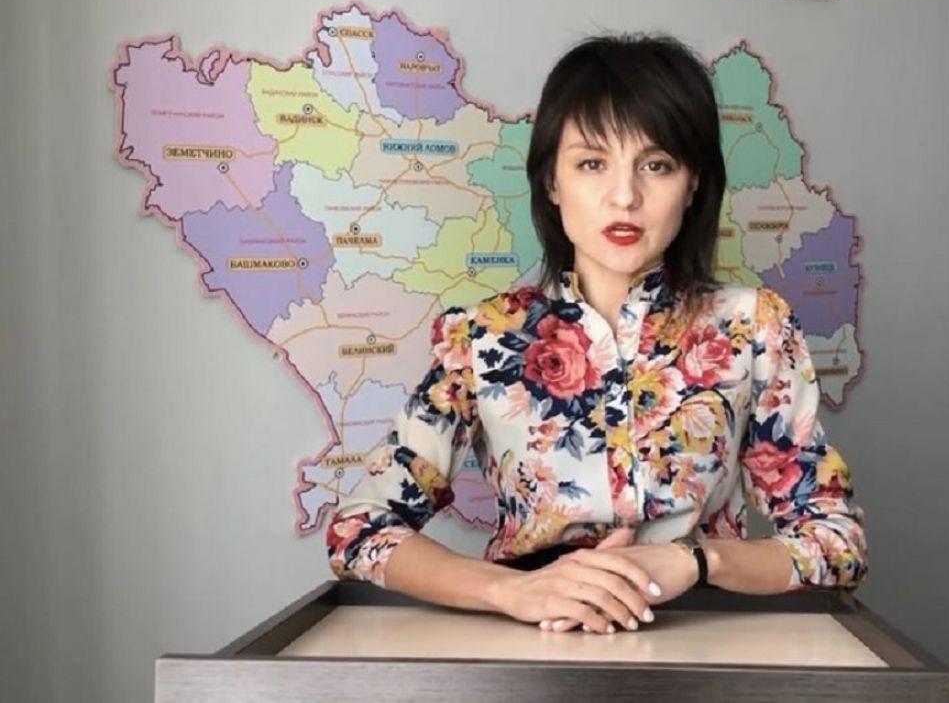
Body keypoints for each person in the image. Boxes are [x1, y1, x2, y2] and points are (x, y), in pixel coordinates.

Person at [327, 33, 867, 635]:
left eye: (657, 165)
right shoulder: (482, 338)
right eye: (591, 163)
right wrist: (513, 590)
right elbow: (360, 530)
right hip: (532, 645)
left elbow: (836, 543)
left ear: (693, 183)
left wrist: (697, 560)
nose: (625, 196)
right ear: (552, 182)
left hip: (702, 641)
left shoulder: (753, 327)